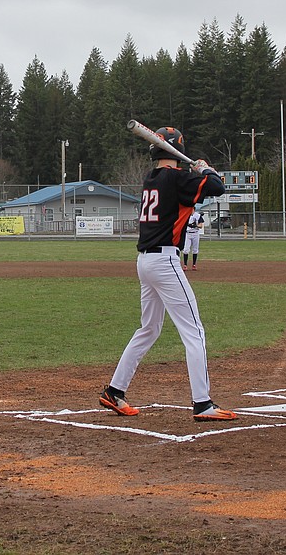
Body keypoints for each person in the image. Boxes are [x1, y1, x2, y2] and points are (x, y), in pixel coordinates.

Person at [99, 126, 237, 422]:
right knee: (195, 331)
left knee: (149, 329)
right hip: (164, 262)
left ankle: (114, 390)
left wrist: (196, 172)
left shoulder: (152, 179)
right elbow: (216, 187)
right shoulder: (177, 178)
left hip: (145, 263)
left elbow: (193, 190)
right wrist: (205, 168)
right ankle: (203, 403)